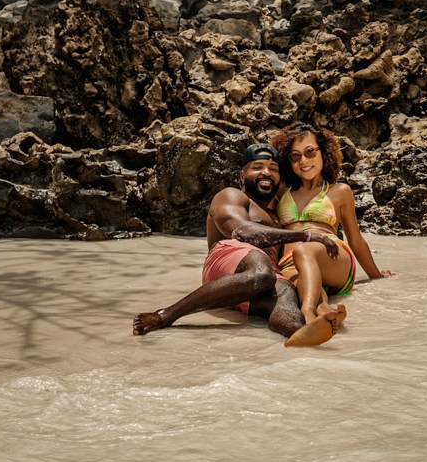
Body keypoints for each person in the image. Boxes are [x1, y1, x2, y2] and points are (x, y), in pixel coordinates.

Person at [132, 143, 344, 346]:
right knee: (263, 272)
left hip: (257, 280)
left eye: (273, 169)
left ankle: (299, 334)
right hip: (230, 259)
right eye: (257, 167)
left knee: (286, 295)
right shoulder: (232, 195)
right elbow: (243, 232)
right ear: (242, 176)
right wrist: (305, 236)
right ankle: (166, 315)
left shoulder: (276, 215)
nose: (266, 173)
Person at [270, 121, 394, 344]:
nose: (303, 161)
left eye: (310, 152)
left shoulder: (340, 191)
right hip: (292, 262)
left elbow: (356, 240)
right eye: (295, 156)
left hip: (333, 256)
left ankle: (307, 315)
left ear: (324, 152)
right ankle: (326, 312)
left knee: (303, 250)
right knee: (298, 283)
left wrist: (376, 275)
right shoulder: (281, 192)